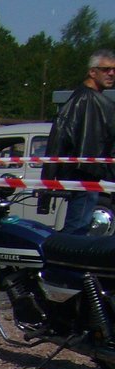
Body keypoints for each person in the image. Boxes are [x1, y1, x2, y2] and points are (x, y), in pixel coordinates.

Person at [42, 49, 115, 235]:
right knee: (76, 232)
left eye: (113, 70)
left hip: (87, 175)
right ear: (92, 72)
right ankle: (63, 262)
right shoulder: (82, 100)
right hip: (83, 176)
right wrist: (47, 182)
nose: (111, 74)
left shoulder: (92, 100)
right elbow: (58, 138)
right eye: (106, 69)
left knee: (79, 227)